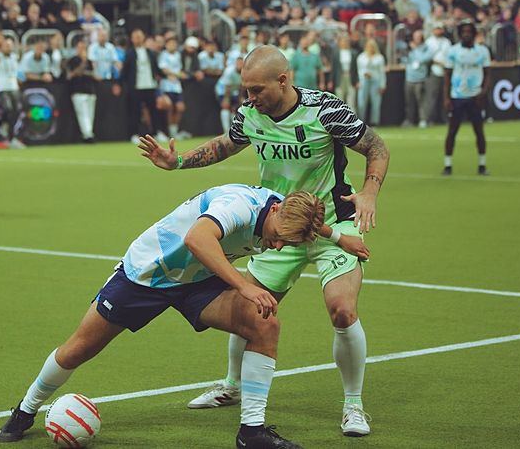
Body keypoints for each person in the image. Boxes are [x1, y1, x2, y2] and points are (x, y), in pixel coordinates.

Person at [137, 45, 390, 438]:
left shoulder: (325, 109)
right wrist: (180, 161)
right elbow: (226, 144)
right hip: (277, 231)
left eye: (257, 90)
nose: (250, 98)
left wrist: (370, 193)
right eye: (246, 90)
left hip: (332, 223)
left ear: (283, 81)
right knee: (250, 311)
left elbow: (376, 148)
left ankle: (353, 406)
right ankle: (232, 385)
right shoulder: (250, 113)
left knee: (342, 311)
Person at [0, 184, 369, 449]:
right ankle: (26, 409)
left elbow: (308, 222)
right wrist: (243, 286)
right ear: (274, 210)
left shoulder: (287, 213)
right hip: (148, 274)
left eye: (287, 243)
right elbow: (197, 239)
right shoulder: (239, 205)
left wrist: (339, 238)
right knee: (79, 348)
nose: (277, 245)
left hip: (198, 280)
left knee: (264, 322)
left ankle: (252, 432)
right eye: (278, 237)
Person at [443, 20, 491, 176]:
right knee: (452, 131)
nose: (466, 34)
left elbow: (488, 73)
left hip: (475, 96)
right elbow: (447, 75)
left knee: (479, 131)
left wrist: (484, 91)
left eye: (469, 31)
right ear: (459, 34)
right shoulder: (453, 51)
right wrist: (446, 97)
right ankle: (448, 165)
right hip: (457, 96)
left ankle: (482, 164)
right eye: (464, 32)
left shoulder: (483, 51)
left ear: (474, 34)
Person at [121, 28, 166, 144]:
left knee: (154, 111)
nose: (138, 39)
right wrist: (119, 84)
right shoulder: (129, 54)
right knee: (135, 112)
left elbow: (156, 68)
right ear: (132, 39)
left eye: (140, 36)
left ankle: (157, 132)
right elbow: (124, 71)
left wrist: (165, 75)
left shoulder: (150, 53)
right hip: (136, 87)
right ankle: (134, 134)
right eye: (135, 37)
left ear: (143, 38)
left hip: (150, 85)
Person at [66, 39, 98, 143]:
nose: (82, 50)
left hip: (90, 90)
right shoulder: (73, 60)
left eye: (84, 48)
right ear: (77, 49)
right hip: (78, 91)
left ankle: (88, 134)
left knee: (90, 115)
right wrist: (83, 62)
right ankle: (88, 135)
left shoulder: (90, 61)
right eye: (80, 48)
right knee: (83, 114)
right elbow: (72, 74)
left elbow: (93, 74)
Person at [158, 37, 189, 140]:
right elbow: (164, 69)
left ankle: (174, 131)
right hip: (166, 86)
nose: (173, 46)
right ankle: (170, 132)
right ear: (166, 45)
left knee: (180, 107)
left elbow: (179, 69)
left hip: (177, 86)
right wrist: (176, 74)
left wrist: (179, 75)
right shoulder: (163, 55)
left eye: (174, 44)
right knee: (169, 108)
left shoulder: (178, 55)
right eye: (170, 44)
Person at [403, 30, 434, 128]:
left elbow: (423, 59)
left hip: (420, 79)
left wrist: (415, 49)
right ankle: (409, 120)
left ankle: (423, 120)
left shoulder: (426, 48)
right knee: (409, 102)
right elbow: (405, 60)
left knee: (421, 101)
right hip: (409, 78)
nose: (416, 39)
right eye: (415, 36)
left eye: (418, 36)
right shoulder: (409, 48)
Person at [424, 23, 451, 124]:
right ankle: (430, 119)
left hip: (445, 71)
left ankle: (444, 118)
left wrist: (446, 65)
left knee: (445, 96)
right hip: (433, 70)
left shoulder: (447, 42)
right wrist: (438, 63)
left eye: (440, 29)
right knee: (432, 96)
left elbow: (449, 56)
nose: (438, 31)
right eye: (436, 29)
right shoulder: (429, 42)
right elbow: (427, 57)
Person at [356, 39, 387, 126]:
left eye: (372, 46)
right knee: (361, 102)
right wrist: (359, 80)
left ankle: (374, 122)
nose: (370, 48)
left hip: (375, 81)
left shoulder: (379, 57)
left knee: (376, 102)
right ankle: (360, 122)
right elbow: (358, 70)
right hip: (363, 80)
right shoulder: (361, 57)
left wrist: (382, 85)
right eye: (369, 46)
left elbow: (382, 72)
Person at [215, 55, 245, 133]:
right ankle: (226, 131)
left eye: (241, 63)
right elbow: (227, 87)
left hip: (233, 91)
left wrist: (240, 98)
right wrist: (226, 99)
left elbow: (242, 87)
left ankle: (233, 130)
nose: (239, 65)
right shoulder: (229, 71)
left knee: (235, 108)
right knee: (225, 107)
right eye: (238, 63)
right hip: (222, 90)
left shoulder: (244, 72)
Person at [330, 35, 359, 113]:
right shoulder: (336, 53)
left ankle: (352, 118)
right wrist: (331, 80)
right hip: (340, 78)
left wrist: (357, 80)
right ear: (340, 42)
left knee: (351, 100)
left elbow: (356, 68)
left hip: (350, 77)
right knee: (340, 100)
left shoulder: (353, 53)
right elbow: (333, 68)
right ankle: (341, 118)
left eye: (346, 41)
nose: (345, 43)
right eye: (343, 41)